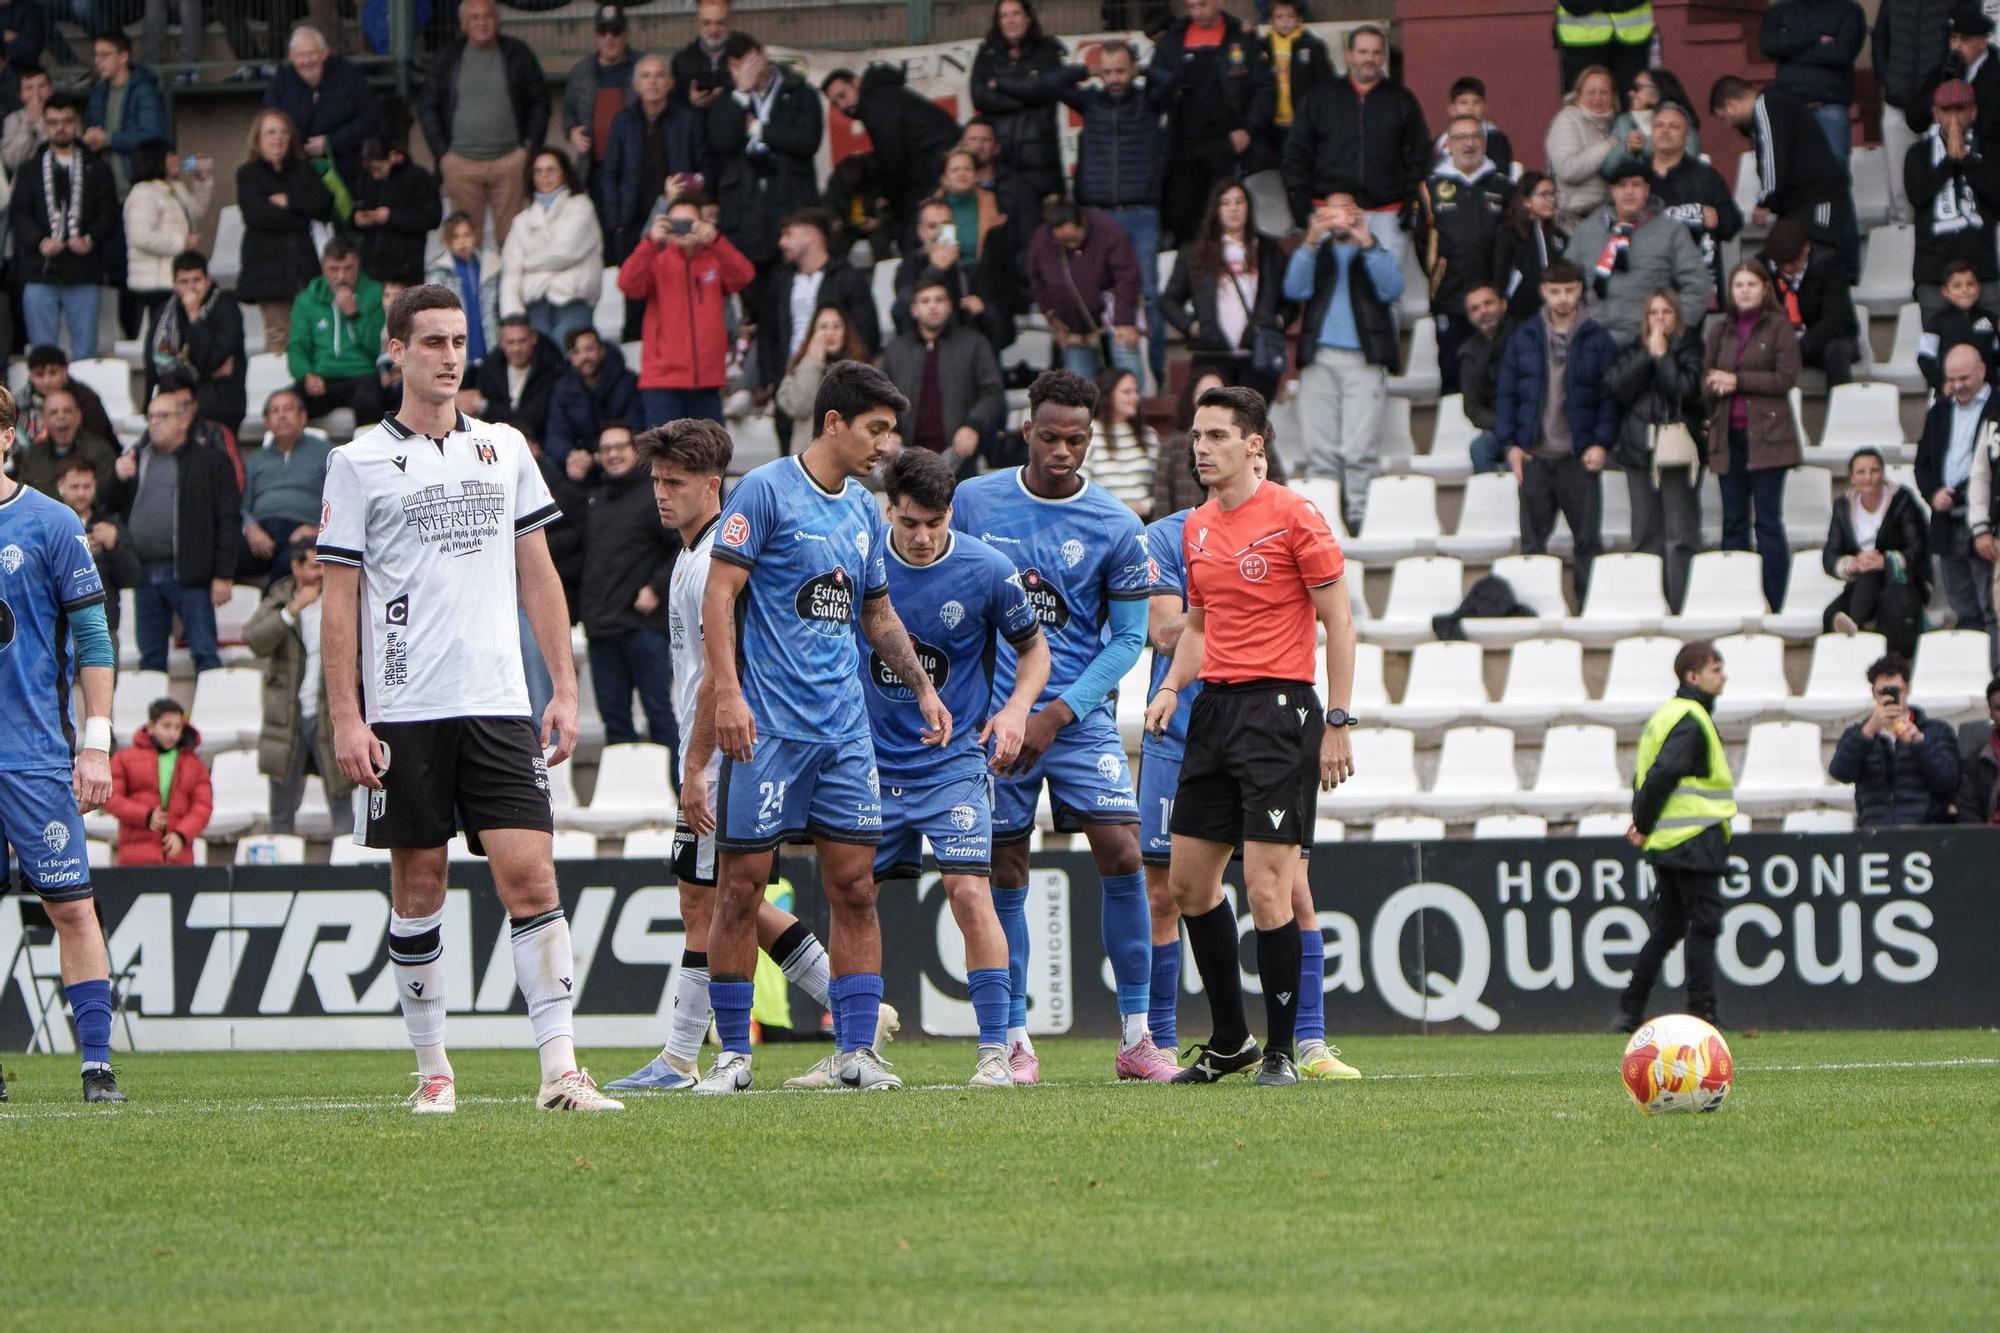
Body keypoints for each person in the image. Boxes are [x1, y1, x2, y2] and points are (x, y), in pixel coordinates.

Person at [319, 283, 621, 1115]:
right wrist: (347, 714)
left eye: (458, 342)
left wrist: (564, 684)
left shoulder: (506, 447)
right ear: (396, 352)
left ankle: (560, 1068)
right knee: (418, 885)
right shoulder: (356, 464)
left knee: (532, 875)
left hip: (498, 702)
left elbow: (539, 572)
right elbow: (337, 598)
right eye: (432, 342)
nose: (449, 356)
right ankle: (433, 1069)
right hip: (405, 707)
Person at [695, 361, 943, 1094]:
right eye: (875, 429)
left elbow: (876, 612)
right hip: (767, 728)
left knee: (856, 888)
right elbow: (719, 592)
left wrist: (923, 688)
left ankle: (857, 1054)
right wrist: (730, 697)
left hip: (843, 733)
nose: (884, 445)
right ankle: (734, 1057)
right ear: (833, 422)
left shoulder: (866, 510)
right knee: (741, 889)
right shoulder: (766, 490)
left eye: (890, 431)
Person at [605, 416, 858, 1093]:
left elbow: (725, 675)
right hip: (710, 745)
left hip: (726, 750)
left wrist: (694, 767)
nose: (661, 494)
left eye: (675, 483)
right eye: (656, 481)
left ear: (712, 486)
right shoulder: (690, 555)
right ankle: (850, 1001)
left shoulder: (722, 557)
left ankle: (685, 1057)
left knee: (710, 902)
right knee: (718, 898)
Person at [1141, 385, 1353, 1085]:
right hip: (1214, 711)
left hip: (1280, 713)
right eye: (1197, 434)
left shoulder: (1295, 516)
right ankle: (1231, 1038)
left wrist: (1339, 720)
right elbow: (1200, 624)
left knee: (1269, 889)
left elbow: (1340, 622)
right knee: (1188, 883)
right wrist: (1172, 687)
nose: (1201, 447)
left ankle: (1283, 1050)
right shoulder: (1196, 526)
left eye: (1216, 436)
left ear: (1253, 445)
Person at [950, 369, 1152, 1085]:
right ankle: (1013, 1037)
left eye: (1077, 439)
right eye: (1050, 436)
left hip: (1077, 718)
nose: (1063, 450)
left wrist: (1057, 713)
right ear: (1026, 429)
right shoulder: (975, 502)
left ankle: (1137, 1035)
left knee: (1124, 852)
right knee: (1005, 866)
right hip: (997, 723)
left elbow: (1130, 639)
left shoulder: (1117, 525)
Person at [865, 446, 1051, 1087]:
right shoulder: (861, 557)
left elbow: (1036, 654)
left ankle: (995, 1053)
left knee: (970, 893)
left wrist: (1016, 710)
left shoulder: (988, 569)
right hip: (867, 763)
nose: (922, 537)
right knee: (855, 899)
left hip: (952, 765)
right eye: (910, 521)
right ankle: (858, 1051)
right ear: (890, 508)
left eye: (934, 523)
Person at [0, 382, 123, 1102]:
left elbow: (93, 637)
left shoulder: (49, 523)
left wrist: (97, 743)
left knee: (72, 906)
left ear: (11, 436)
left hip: (36, 753)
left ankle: (97, 1064)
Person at [1613, 640, 1731, 1032]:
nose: (1723, 676)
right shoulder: (1691, 717)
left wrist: (1645, 822)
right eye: (1716, 669)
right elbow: (1665, 773)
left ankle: (1630, 1009)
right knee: (1704, 925)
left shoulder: (1666, 715)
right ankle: (1703, 1013)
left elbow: (1645, 774)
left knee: (1668, 928)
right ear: (1692, 676)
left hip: (1669, 841)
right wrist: (1642, 823)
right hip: (1694, 839)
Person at [1495, 258, 1616, 601]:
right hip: (1534, 454)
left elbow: (1609, 398)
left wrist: (1601, 444)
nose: (1562, 298)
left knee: (1588, 542)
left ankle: (1589, 609)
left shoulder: (1598, 337)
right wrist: (1511, 446)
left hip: (1578, 456)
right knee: (1532, 545)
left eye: (1569, 290)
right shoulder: (1524, 336)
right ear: (1543, 292)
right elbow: (1507, 393)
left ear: (1580, 291)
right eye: (1555, 291)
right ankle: (1533, 608)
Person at [1283, 192, 1403, 533]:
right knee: (1319, 449)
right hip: (1319, 358)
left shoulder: (1374, 249)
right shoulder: (1315, 253)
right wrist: (1310, 239)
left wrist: (1365, 238)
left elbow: (1392, 288)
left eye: (1345, 209)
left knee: (1358, 448)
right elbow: (1293, 289)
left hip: (1364, 360)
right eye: (1330, 210)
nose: (1338, 217)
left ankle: (1358, 517)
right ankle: (1323, 523)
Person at [108, 385, 240, 674]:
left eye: (162, 416)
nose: (154, 422)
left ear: (183, 420)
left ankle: (211, 716)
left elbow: (228, 518)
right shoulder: (137, 458)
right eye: (151, 416)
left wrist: (223, 574)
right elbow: (105, 504)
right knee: (150, 660)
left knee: (206, 654)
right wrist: (117, 477)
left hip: (190, 572)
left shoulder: (211, 460)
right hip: (143, 573)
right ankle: (156, 720)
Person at [1060, 37, 1164, 386]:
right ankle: (1101, 378)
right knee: (1091, 292)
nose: (1115, 78)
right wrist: (1083, 69)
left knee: (1148, 294)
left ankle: (1157, 375)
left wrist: (1144, 70)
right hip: (1097, 213)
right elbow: (1051, 84)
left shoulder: (1149, 100)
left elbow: (1173, 77)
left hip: (1141, 211)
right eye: (1107, 72)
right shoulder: (1091, 102)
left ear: (1133, 69)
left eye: (1121, 70)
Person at [1704, 260, 1803, 612]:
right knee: (1732, 523)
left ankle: (1776, 601)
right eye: (1738, 284)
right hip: (1727, 435)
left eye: (1751, 284)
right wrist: (1714, 383)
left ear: (1765, 288)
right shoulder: (1720, 330)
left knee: (1768, 523)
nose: (1744, 290)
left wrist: (1737, 381)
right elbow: (1707, 376)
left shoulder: (1779, 327)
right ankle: (1737, 597)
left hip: (1769, 438)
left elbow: (1786, 378)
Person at [1279, 23, 1429, 255]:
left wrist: (1413, 199)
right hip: (1331, 211)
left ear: (1383, 57)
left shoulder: (1402, 100)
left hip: (1387, 212)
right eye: (1363, 52)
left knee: (1386, 288)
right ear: (1349, 55)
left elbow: (1419, 155)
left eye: (1376, 52)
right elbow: (1296, 152)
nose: (1369, 58)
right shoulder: (1320, 98)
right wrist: (1300, 200)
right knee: (1331, 287)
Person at [706, 31, 822, 321]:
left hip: (791, 208)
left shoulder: (799, 92)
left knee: (796, 307)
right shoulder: (728, 100)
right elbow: (722, 140)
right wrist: (742, 93)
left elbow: (807, 140)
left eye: (750, 61)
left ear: (762, 54)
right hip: (746, 220)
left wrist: (761, 130)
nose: (746, 71)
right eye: (737, 67)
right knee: (756, 311)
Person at [576, 423, 678, 748]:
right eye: (605, 449)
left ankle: (680, 793)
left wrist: (656, 588)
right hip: (602, 628)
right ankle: (627, 792)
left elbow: (681, 548)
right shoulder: (597, 501)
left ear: (636, 451)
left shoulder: (654, 495)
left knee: (659, 712)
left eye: (620, 446)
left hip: (643, 626)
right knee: (614, 720)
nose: (613, 454)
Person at [418, 0, 549, 251]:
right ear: (463, 24)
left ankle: (510, 292)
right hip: (461, 164)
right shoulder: (447, 57)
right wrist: (443, 155)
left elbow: (539, 101)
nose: (482, 22)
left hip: (510, 161)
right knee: (465, 244)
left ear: (497, 20)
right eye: (474, 17)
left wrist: (528, 149)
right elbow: (428, 106)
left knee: (514, 242)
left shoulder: (517, 53)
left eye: (487, 16)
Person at [244, 542, 354, 837]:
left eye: (323, 566)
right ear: (296, 567)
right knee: (281, 807)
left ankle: (349, 866)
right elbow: (254, 639)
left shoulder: (341, 596)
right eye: (314, 566)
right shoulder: (281, 595)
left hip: (329, 714)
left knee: (342, 800)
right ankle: (281, 873)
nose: (321, 573)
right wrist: (293, 609)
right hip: (287, 716)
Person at [1605, 289, 1707, 609]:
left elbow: (1683, 390)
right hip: (1638, 448)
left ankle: (1679, 603)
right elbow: (1617, 387)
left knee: (1679, 535)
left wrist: (1664, 358)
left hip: (1675, 451)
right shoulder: (1633, 348)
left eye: (1666, 312)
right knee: (1646, 533)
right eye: (1653, 313)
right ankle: (1650, 601)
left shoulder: (1691, 347)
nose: (1659, 319)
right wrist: (1647, 355)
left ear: (1677, 316)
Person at [617, 191, 751, 427]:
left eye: (689, 223)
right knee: (667, 458)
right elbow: (627, 284)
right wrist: (649, 242)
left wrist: (716, 240)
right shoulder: (656, 261)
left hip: (707, 381)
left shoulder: (713, 259)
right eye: (675, 223)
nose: (682, 229)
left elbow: (744, 275)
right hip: (662, 383)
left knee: (708, 458)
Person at [1148, 0, 1273, 247]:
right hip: (1183, 147)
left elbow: (1265, 89)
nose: (1197, 12)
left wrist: (1249, 129)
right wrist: (1168, 90)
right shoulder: (1172, 41)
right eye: (1191, 6)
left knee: (1229, 220)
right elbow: (1153, 91)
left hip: (1226, 145)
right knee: (1186, 224)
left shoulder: (1242, 36)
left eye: (1203, 5)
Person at [1711, 73, 1857, 278]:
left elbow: (1773, 155)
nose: (1729, 124)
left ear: (1730, 104)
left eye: (1725, 117)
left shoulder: (1765, 106)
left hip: (1816, 200)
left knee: (1820, 257)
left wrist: (1765, 199)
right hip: (1802, 203)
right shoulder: (1780, 102)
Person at [9, 96, 117, 359]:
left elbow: (109, 212)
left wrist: (90, 238)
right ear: (45, 126)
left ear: (76, 124)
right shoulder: (29, 169)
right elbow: (19, 212)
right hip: (40, 271)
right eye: (53, 122)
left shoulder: (98, 168)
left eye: (67, 121)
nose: (60, 128)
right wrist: (40, 241)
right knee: (43, 355)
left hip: (84, 270)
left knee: (86, 353)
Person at [1164, 179, 1291, 402]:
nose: (1233, 209)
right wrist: (1191, 327)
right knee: (1214, 420)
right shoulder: (1195, 251)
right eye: (1226, 203)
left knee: (1250, 425)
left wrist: (1277, 322)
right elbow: (1169, 300)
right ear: (1216, 209)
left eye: (1239, 202)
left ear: (1249, 207)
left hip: (1257, 356)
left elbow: (1288, 301)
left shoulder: (1268, 251)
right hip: (1212, 355)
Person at [1415, 116, 1515, 394]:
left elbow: (1514, 242)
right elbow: (1423, 242)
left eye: (1475, 137)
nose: (1469, 144)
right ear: (1449, 144)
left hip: (1494, 301)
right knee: (1452, 372)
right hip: (1451, 298)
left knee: (1498, 376)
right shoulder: (1430, 190)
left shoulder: (1503, 187)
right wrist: (1439, 275)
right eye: (1461, 138)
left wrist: (1500, 287)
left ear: (1484, 142)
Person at [1568, 159, 1712, 346]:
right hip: (1594, 342)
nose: (1629, 191)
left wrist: (1670, 330)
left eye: (1636, 185)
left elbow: (1698, 287)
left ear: (1647, 190)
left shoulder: (1671, 231)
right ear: (1612, 191)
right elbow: (1566, 285)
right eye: (1622, 185)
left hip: (1649, 343)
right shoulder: (1586, 231)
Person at [1921, 342, 2000, 664]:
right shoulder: (1939, 409)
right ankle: (1972, 669)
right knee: (1961, 603)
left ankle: (1996, 675)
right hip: (1946, 519)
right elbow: (1922, 462)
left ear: (1981, 371)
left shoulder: (1997, 406)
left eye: (1964, 378)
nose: (1957, 386)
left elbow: (1986, 470)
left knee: (1989, 605)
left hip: (1982, 519)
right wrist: (1932, 492)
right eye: (1951, 379)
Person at [236, 108, 336, 356]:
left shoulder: (302, 169)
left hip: (303, 266)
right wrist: (301, 215)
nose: (278, 138)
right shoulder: (248, 173)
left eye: (283, 132)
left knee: (310, 333)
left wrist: (290, 201)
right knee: (279, 336)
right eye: (270, 132)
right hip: (267, 269)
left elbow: (324, 203)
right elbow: (257, 216)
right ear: (258, 138)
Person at [823, 63, 959, 246]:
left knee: (917, 237)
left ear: (857, 82)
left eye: (842, 95)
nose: (843, 105)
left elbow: (892, 157)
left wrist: (888, 197)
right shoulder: (884, 95)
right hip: (938, 167)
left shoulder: (876, 103)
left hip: (935, 170)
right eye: (835, 103)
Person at [882, 274, 1005, 473]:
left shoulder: (974, 344)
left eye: (939, 300)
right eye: (925, 301)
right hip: (906, 459)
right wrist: (888, 431)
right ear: (914, 309)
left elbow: (992, 392)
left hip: (961, 459)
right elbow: (880, 398)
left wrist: (972, 426)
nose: (933, 306)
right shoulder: (895, 350)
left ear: (949, 306)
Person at [971, 0, 1070, 243]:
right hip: (1002, 164)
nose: (1011, 20)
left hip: (1041, 165)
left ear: (1028, 18)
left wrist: (1002, 85)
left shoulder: (1047, 50)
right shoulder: (987, 54)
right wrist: (1024, 94)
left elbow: (1044, 89)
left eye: (1016, 14)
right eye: (1004, 15)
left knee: (1045, 240)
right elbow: (980, 96)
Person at [754, 208, 878, 399]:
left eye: (788, 235)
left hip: (836, 383)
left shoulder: (847, 277)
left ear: (811, 235)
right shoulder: (781, 281)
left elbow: (866, 330)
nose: (782, 243)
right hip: (792, 382)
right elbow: (768, 333)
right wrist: (770, 378)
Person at [1829, 652, 1962, 826]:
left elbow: (1948, 783)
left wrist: (1918, 742)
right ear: (1873, 694)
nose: (1889, 698)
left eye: (1895, 691)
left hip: (1925, 832)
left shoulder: (1936, 731)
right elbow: (1840, 772)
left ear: (1908, 689)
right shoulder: (1860, 733)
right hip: (1875, 832)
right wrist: (1868, 731)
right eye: (1882, 692)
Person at [599, 55, 708, 265]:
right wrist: (616, 221)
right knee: (635, 288)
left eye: (659, 76)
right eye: (646, 76)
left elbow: (705, 167)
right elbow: (610, 174)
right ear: (636, 85)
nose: (652, 82)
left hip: (678, 217)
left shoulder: (689, 119)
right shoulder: (623, 122)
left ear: (670, 83)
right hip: (632, 219)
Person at [1909, 78, 2000, 323]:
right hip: (1934, 273)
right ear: (1935, 113)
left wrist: (1968, 161)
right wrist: (1949, 163)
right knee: (1937, 353)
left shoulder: (1992, 152)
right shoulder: (1917, 154)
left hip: (1983, 271)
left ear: (1973, 111)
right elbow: (1917, 196)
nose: (1953, 117)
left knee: (1991, 353)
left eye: (1960, 109)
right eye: (1946, 110)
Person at [1824, 447, 1929, 656]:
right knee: (1830, 614)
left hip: (1901, 580)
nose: (1869, 477)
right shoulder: (1843, 506)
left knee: (1872, 576)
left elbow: (1918, 547)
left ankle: (1855, 624)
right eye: (1861, 472)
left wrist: (1886, 560)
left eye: (1874, 471)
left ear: (1883, 473)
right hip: (1860, 580)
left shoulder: (1902, 500)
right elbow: (1830, 555)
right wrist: (1851, 563)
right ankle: (1852, 633)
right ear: (1851, 477)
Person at [499, 147, 604, 346]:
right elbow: (510, 270)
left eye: (550, 170)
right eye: (538, 171)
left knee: (569, 366)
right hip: (535, 305)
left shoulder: (581, 206)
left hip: (573, 299)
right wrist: (512, 316)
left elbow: (564, 254)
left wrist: (526, 265)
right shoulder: (521, 221)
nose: (543, 176)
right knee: (542, 369)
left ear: (564, 172)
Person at [894, 188, 1018, 355]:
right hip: (924, 354)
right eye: (932, 226)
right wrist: (936, 269)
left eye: (945, 226)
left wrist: (983, 312)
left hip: (969, 354)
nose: (938, 233)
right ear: (920, 232)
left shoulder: (972, 266)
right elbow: (904, 312)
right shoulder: (909, 266)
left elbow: (1004, 331)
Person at [263, 24, 379, 189]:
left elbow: (371, 117)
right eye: (300, 55)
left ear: (325, 53)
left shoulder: (349, 74)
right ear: (291, 57)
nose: (307, 61)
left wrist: (331, 142)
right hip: (295, 163)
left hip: (346, 162)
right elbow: (268, 120)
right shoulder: (281, 80)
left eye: (312, 53)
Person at [125, 145, 213, 362]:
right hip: (154, 282)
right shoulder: (143, 192)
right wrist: (181, 243)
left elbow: (197, 210)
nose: (176, 160)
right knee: (162, 338)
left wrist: (202, 181)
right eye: (170, 156)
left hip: (174, 278)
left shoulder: (175, 187)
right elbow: (141, 236)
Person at [1648, 101, 1742, 301]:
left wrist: (1717, 219)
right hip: (1646, 280)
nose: (1665, 131)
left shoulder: (1706, 177)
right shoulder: (1635, 177)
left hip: (1694, 281)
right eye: (1659, 125)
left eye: (1674, 126)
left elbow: (1733, 222)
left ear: (1687, 135)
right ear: (1651, 131)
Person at [1873, 0, 1957, 223]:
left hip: (1939, 105)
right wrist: (1886, 78)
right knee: (1899, 187)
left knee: (1942, 183)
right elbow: (1880, 37)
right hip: (1897, 99)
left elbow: (1958, 44)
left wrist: (1944, 86)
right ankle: (1902, 235)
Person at [288, 238, 387, 425]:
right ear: (323, 267)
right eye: (334, 269)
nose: (341, 277)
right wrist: (306, 374)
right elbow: (296, 347)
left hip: (362, 375)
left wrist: (354, 314)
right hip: (322, 377)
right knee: (288, 405)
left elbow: (376, 348)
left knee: (371, 401)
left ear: (358, 265)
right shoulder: (306, 299)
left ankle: (366, 454)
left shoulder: (375, 294)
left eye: (348, 268)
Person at [238, 386, 332, 583]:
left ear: (303, 416)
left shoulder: (325, 453)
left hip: (303, 531)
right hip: (261, 532)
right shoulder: (257, 458)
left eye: (288, 409)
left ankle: (274, 607)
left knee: (290, 562)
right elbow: (243, 505)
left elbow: (341, 500)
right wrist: (251, 528)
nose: (281, 416)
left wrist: (316, 530)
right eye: (275, 411)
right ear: (266, 421)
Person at [1761, 216, 1863, 388]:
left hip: (1821, 341)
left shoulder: (1829, 265)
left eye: (1791, 263)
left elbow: (1836, 321)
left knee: (1837, 351)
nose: (1785, 270)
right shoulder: (1763, 268)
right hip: (1782, 342)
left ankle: (1841, 409)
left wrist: (1800, 347)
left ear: (1806, 249)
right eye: (1780, 265)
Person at [1761, 0, 1868, 164]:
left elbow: (1841, 54)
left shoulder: (1849, 11)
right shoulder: (1780, 10)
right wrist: (1815, 38)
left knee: (1834, 171)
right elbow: (1768, 45)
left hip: (1830, 103)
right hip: (1789, 106)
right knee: (1788, 171)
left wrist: (1789, 53)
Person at [106, 697, 209, 865]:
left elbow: (203, 806)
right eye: (166, 726)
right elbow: (111, 798)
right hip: (136, 859)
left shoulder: (195, 764)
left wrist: (181, 834)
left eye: (177, 727)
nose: (172, 733)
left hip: (178, 857)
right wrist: (145, 816)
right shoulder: (124, 759)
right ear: (151, 726)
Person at [56, 456, 140, 640]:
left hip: (103, 628)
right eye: (74, 487)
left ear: (95, 485)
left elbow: (132, 578)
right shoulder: (50, 524)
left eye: (86, 487)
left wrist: (114, 546)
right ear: (60, 485)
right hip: (60, 630)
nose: (81, 493)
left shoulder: (109, 523)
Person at [564, 3, 642, 196]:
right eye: (603, 31)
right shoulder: (580, 72)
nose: (609, 38)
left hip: (637, 168)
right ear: (595, 35)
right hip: (595, 170)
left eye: (615, 31)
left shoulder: (644, 68)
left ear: (626, 34)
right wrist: (572, 132)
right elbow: (568, 113)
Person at [776, 305, 870, 456]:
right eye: (823, 327)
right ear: (813, 332)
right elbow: (800, 407)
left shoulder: (863, 370)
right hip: (809, 460)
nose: (830, 333)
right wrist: (812, 362)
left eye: (836, 326)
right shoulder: (800, 367)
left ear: (846, 331)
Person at [81, 30, 167, 192]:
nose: (98, 61)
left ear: (123, 57)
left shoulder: (144, 91)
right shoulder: (98, 93)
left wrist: (109, 139)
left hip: (138, 184)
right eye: (96, 56)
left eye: (104, 55)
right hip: (105, 188)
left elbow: (151, 136)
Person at [351, 137, 442, 288]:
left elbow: (432, 217)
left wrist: (391, 217)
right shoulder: (368, 179)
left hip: (406, 265)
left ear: (393, 157)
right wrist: (357, 219)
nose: (375, 175)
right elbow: (359, 205)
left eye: (379, 169)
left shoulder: (419, 177)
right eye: (372, 170)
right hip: (372, 265)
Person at [423, 211, 502, 377]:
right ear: (446, 241)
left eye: (466, 235)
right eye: (455, 237)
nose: (462, 241)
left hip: (489, 342)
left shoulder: (490, 266)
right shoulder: (439, 272)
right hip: (455, 348)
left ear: (474, 235)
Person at [544, 328, 639, 465]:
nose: (584, 357)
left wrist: (605, 453)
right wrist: (571, 455)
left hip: (620, 453)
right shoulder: (562, 388)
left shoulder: (627, 382)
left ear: (602, 351)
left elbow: (636, 425)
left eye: (590, 349)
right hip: (582, 459)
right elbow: (556, 433)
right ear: (570, 357)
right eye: (577, 352)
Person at [1545, 66, 1619, 227]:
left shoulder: (1615, 125)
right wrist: (1607, 147)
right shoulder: (1567, 120)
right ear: (1578, 96)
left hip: (1608, 218)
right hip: (1575, 220)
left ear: (1613, 97)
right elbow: (1568, 169)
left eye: (1604, 92)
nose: (1597, 98)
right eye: (1591, 92)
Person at [474, 315, 565, 444]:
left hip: (539, 443)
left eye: (522, 341)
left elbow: (533, 418)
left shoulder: (550, 369)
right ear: (501, 343)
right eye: (510, 342)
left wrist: (484, 406)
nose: (516, 348)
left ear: (533, 339)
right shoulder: (491, 367)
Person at [1598, 67, 1700, 180]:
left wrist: (1644, 144)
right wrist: (1626, 147)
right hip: (1634, 193)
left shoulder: (1679, 118)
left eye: (1637, 88)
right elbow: (1606, 170)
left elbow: (1691, 158)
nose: (1630, 93)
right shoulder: (1624, 121)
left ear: (1658, 91)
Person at [10, 384, 115, 496]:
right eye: (54, 412)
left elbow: (108, 498)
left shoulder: (100, 452)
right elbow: (22, 497)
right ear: (44, 420)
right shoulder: (32, 456)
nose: (61, 416)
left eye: (67, 411)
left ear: (78, 417)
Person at [1492, 170, 1568, 323]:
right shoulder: (1509, 234)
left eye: (1553, 194)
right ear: (1526, 200)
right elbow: (1499, 275)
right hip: (1519, 316)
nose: (1551, 200)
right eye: (1544, 195)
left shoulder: (1558, 236)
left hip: (1554, 315)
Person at [1153, 368, 1229, 518]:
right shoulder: (1172, 446)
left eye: (1217, 394)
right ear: (1192, 397)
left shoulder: (1242, 440)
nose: (1210, 401)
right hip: (1182, 532)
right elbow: (1161, 501)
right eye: (1203, 393)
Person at [1260, 0, 1331, 161]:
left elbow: (1325, 84)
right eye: (1279, 17)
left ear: (1299, 19)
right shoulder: (1262, 47)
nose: (1285, 21)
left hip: (1302, 123)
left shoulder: (1313, 46)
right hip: (1271, 124)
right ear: (1270, 21)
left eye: (1290, 16)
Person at [1460, 283, 1516, 474]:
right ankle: (1491, 501)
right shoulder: (1469, 353)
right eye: (1475, 309)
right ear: (1469, 317)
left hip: (1533, 426)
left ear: (1503, 304)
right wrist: (1502, 425)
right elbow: (1472, 408)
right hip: (1498, 428)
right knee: (1480, 448)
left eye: (1488, 303)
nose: (1483, 311)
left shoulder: (1528, 338)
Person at [1088, 367, 1157, 516]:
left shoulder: (1148, 435)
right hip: (1103, 520)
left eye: (1136, 391)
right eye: (1126, 392)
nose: (1135, 397)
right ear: (1108, 395)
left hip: (1143, 521)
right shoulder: (1088, 433)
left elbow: (1159, 487)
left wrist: (1146, 506)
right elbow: (1080, 484)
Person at [1920, 261, 2000, 390]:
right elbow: (1925, 358)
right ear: (1946, 291)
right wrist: (1942, 384)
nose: (1965, 290)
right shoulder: (1935, 322)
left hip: (1988, 390)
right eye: (1957, 286)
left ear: (1978, 288)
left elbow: (1996, 355)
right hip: (1953, 390)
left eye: (1970, 284)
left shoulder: (1990, 319)